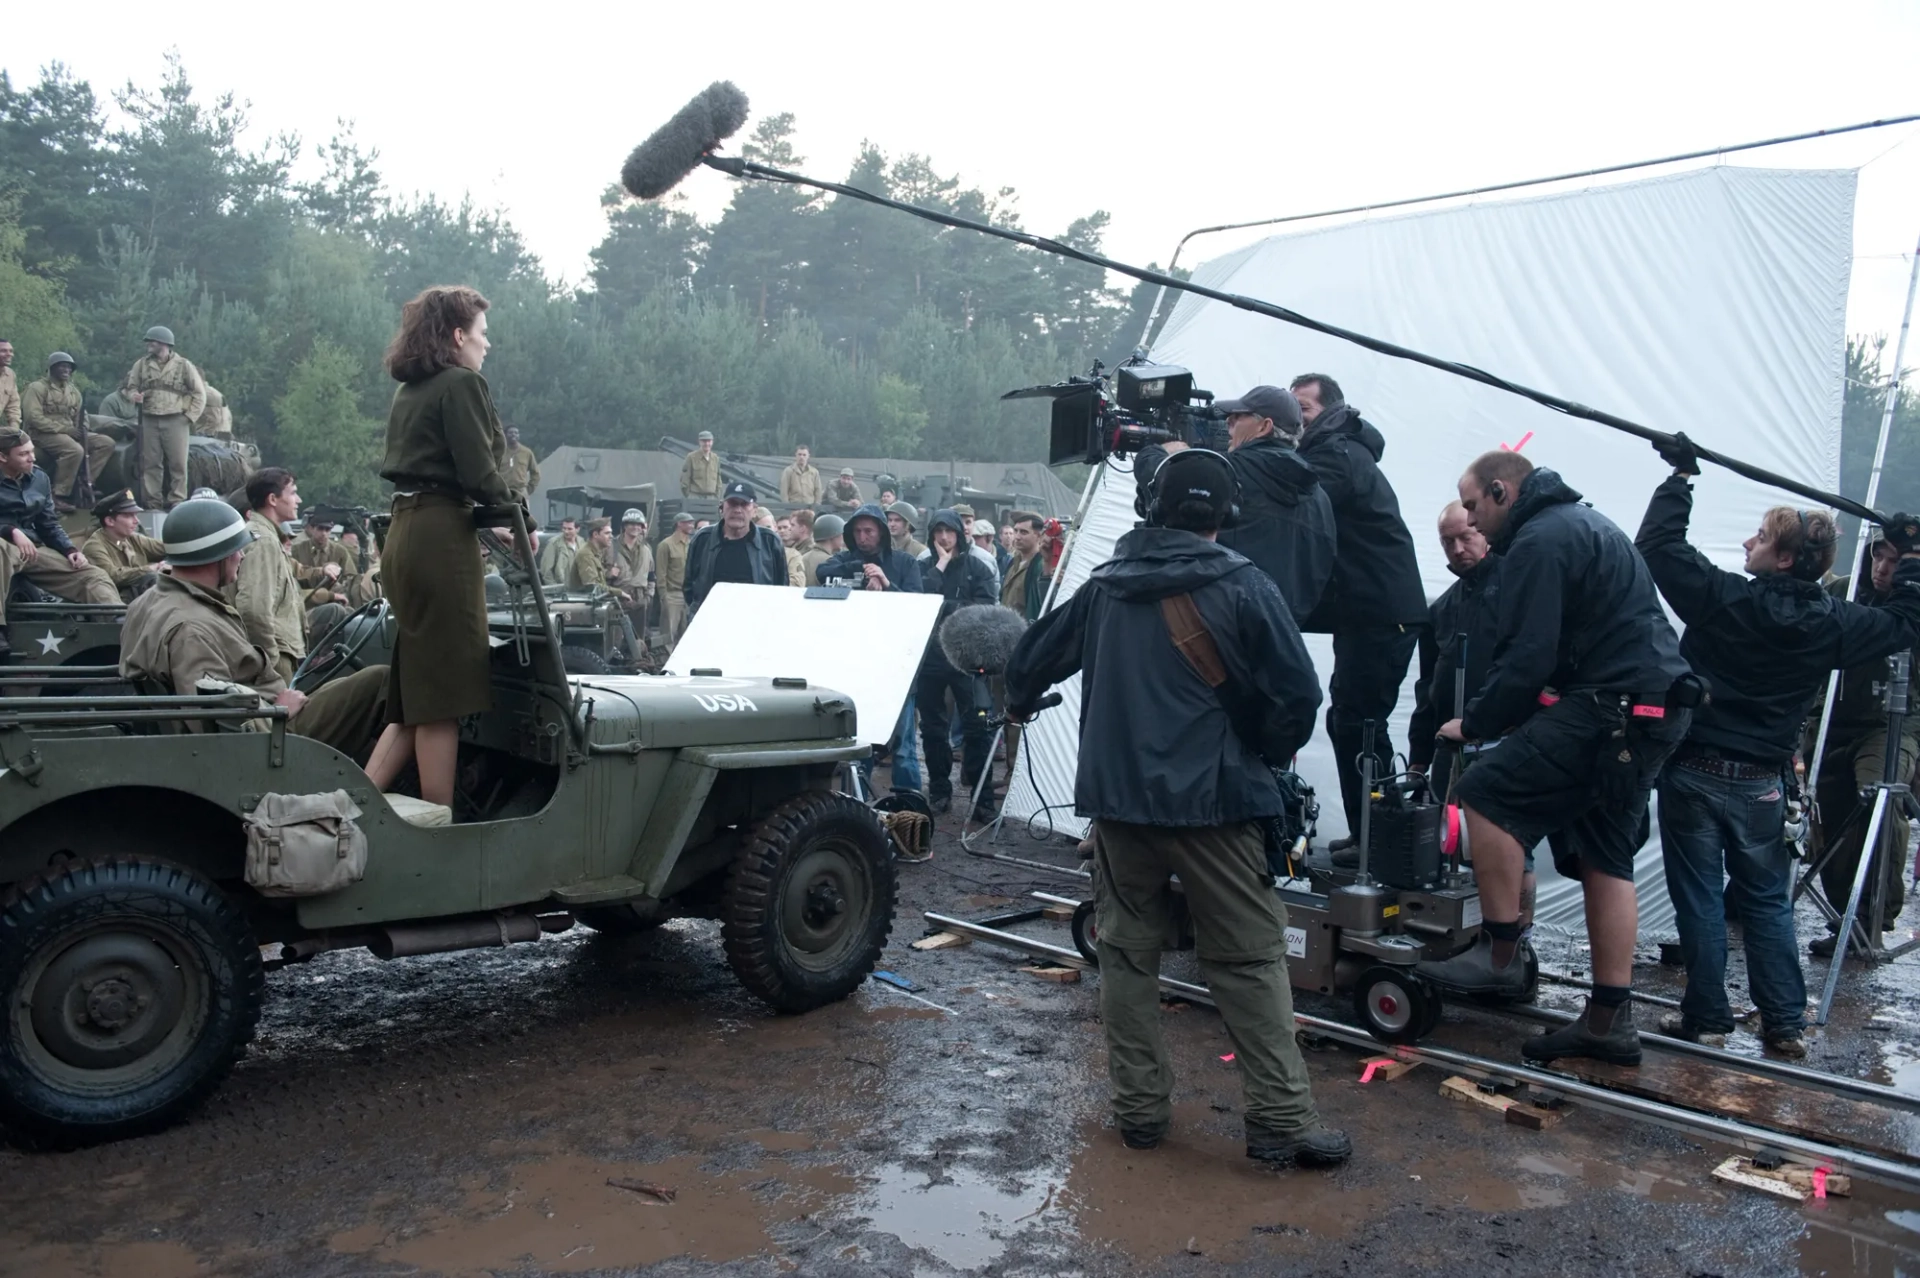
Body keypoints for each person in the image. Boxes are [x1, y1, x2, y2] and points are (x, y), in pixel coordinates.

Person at [1003, 448, 1344, 1166]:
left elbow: (1028, 663)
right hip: (1216, 807)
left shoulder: (1105, 586)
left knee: (1127, 957)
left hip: (1119, 810)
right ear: (1226, 516)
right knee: (1249, 960)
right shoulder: (1247, 585)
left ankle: (1139, 1116)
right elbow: (1299, 698)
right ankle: (1280, 1121)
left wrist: (1021, 698)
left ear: (1150, 510)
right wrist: (1266, 751)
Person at [1636, 454, 1920, 1058]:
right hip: (1763, 781)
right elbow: (1906, 620)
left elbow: (1658, 545)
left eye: (1760, 537)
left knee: (1703, 900)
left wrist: (1681, 477)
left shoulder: (1724, 600)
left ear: (1784, 558)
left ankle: (1708, 1018)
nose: (1748, 541)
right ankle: (1784, 1025)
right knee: (1766, 904)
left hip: (1695, 771)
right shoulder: (1833, 624)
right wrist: (1911, 551)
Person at [1419, 450, 1692, 1064]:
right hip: (1654, 706)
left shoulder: (1541, 539)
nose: (1469, 520)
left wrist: (1478, 723)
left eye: (1470, 506)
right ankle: (1607, 1020)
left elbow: (1529, 654)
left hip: (1611, 706)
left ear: (1500, 492)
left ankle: (1499, 955)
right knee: (1605, 854)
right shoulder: (1585, 523)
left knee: (1487, 792)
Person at [121, 498, 400, 767]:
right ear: (217, 555)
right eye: (237, 549)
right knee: (382, 680)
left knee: (340, 686)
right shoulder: (191, 630)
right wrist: (276, 711)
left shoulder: (150, 602)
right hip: (272, 738)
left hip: (266, 713)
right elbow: (213, 724)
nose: (241, 556)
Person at [374, 284, 516, 811]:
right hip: (440, 538)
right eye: (482, 334)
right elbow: (479, 471)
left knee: (416, 697)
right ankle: (438, 833)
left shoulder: (410, 389)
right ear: (458, 337)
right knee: (445, 701)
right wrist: (512, 514)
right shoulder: (460, 383)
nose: (487, 345)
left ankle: (361, 805)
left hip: (404, 534)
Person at [1287, 374, 1428, 851]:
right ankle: (1372, 834)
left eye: (1302, 409)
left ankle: (1380, 839)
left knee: (1360, 723)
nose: (1294, 419)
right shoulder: (1338, 450)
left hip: (1380, 612)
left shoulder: (1336, 454)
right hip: (1367, 610)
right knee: (1352, 721)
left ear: (1328, 411)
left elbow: (1296, 504)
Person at [1805, 538, 1920, 957]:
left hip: (1895, 723)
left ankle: (1877, 915)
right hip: (1832, 720)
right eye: (1879, 556)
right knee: (1830, 820)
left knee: (1879, 796)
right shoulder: (1844, 592)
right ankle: (1847, 917)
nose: (1884, 568)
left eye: (1897, 562)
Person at [1138, 385, 1336, 621]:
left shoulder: (1225, 474)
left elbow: (1163, 487)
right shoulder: (1322, 500)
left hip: (1209, 628)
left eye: (1238, 416)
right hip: (1277, 637)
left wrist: (1158, 453)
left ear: (1265, 427)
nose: (1228, 422)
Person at [916, 509, 999, 816]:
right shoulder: (924, 566)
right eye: (938, 532)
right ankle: (939, 790)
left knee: (978, 726)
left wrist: (944, 606)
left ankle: (983, 798)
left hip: (968, 659)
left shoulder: (978, 566)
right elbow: (920, 602)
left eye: (949, 531)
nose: (944, 537)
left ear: (959, 534)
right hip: (931, 660)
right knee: (934, 729)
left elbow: (984, 608)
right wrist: (939, 566)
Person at [0, 431, 117, 610]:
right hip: (4, 548)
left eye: (31, 452)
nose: (32, 458)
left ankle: (118, 623)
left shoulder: (39, 479)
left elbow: (48, 524)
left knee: (92, 576)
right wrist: (10, 531)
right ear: (3, 457)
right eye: (23, 454)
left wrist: (69, 549)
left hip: (31, 550)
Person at [233, 467, 312, 684]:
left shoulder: (262, 536)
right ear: (273, 499)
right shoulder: (264, 541)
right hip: (276, 658)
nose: (298, 499)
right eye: (293, 492)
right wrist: (271, 663)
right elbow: (253, 610)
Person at [120, 325, 208, 510]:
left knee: (178, 463)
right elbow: (129, 387)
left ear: (164, 343)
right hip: (150, 418)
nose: (149, 344)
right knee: (151, 463)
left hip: (176, 419)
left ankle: (177, 500)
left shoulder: (183, 365)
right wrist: (133, 396)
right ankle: (153, 502)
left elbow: (199, 393)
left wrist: (189, 417)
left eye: (153, 341)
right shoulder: (141, 364)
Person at [23, 352, 113, 507]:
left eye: (69, 367)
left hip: (69, 432)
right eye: (62, 366)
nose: (67, 370)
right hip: (42, 433)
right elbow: (33, 417)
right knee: (74, 450)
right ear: (52, 368)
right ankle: (59, 494)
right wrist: (64, 429)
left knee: (106, 443)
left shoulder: (73, 392)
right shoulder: (37, 388)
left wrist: (83, 428)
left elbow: (81, 415)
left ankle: (86, 483)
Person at [684, 482, 789, 612]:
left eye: (744, 504)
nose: (738, 510)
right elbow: (689, 588)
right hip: (710, 623)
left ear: (755, 510)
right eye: (732, 503)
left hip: (755, 623)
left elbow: (781, 589)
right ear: (722, 507)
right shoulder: (703, 539)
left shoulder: (770, 542)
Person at [815, 503, 924, 593]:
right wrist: (860, 567)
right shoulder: (844, 558)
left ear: (881, 532)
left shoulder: (906, 563)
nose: (862, 538)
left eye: (868, 531)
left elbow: (915, 602)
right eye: (857, 531)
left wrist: (887, 584)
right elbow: (822, 571)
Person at [80, 488, 167, 600]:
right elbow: (113, 576)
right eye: (129, 515)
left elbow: (166, 548)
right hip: (117, 603)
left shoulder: (132, 538)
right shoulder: (94, 546)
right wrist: (151, 568)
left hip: (140, 597)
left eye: (135, 515)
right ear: (110, 521)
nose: (136, 521)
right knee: (153, 579)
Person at [291, 510, 355, 607]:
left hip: (335, 599)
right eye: (320, 529)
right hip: (305, 600)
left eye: (327, 530)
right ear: (312, 529)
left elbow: (351, 578)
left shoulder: (340, 552)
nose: (324, 533)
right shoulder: (297, 550)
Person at [1001, 510, 1051, 620]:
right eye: (1016, 531)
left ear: (1038, 536)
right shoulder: (1012, 563)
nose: (1017, 537)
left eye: (1023, 532)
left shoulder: (1041, 566)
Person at [656, 511, 695, 644]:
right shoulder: (665, 545)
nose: (691, 525)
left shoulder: (692, 544)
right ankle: (665, 661)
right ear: (679, 524)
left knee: (686, 633)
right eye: (688, 523)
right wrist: (663, 596)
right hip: (672, 594)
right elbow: (661, 573)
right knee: (668, 633)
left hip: (688, 596)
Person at [610, 509, 654, 623]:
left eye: (639, 524)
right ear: (624, 526)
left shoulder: (646, 549)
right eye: (632, 524)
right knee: (616, 636)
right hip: (618, 599)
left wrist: (648, 597)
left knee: (639, 638)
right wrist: (609, 573)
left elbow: (651, 576)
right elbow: (599, 574)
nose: (636, 527)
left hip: (640, 600)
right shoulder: (610, 547)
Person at [755, 507, 807, 585]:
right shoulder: (747, 552)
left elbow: (797, 582)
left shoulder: (791, 555)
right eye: (759, 529)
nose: (765, 532)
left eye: (768, 527)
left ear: (775, 527)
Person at [570, 518, 615, 590]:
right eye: (607, 533)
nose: (611, 536)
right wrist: (620, 593)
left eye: (611, 533)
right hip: (582, 600)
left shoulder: (596, 553)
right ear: (595, 534)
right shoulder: (586, 555)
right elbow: (593, 587)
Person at [789, 508, 831, 583]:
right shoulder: (793, 548)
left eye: (792, 525)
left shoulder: (810, 552)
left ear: (802, 528)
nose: (790, 528)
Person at [536, 517, 581, 586]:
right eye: (564, 528)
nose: (566, 531)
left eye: (569, 529)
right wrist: (554, 588)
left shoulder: (582, 543)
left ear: (577, 529)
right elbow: (546, 571)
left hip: (579, 589)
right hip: (561, 589)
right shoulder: (554, 544)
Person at [501, 425, 540, 500]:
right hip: (502, 492)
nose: (513, 434)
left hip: (521, 492)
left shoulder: (527, 452)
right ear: (505, 435)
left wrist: (529, 489)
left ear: (519, 435)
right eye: (510, 432)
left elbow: (535, 473)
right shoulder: (499, 452)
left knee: (522, 512)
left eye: (516, 433)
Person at [681, 430, 722, 499]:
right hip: (695, 496)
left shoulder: (716, 459)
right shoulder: (691, 457)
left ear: (712, 442)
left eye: (709, 441)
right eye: (704, 441)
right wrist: (689, 495)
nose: (706, 444)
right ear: (699, 442)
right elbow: (685, 478)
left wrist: (717, 495)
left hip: (711, 497)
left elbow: (718, 478)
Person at [0, 339, 17, 430]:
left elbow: (13, 405)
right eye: (3, 351)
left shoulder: (10, 375)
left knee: (25, 442)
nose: (9, 354)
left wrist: (14, 428)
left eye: (10, 351)